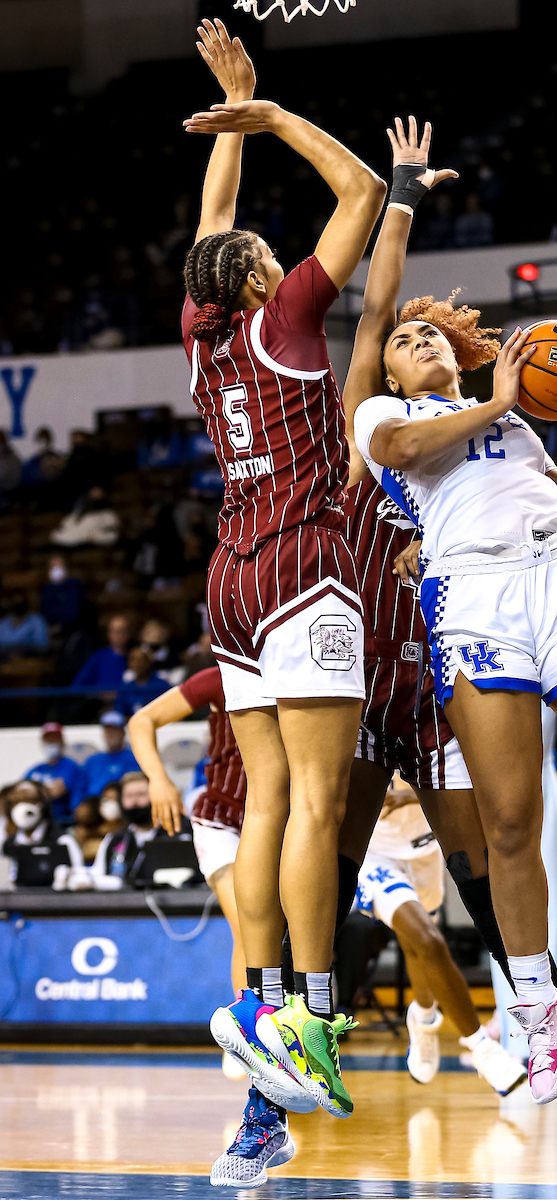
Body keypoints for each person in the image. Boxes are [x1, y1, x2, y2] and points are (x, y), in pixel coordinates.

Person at [352, 142, 557, 1119]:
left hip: (556, 576)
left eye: (428, 336)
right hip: (471, 598)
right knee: (508, 825)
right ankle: (534, 1008)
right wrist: (496, 398)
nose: (416, 342)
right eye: (404, 337)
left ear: (456, 351)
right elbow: (409, 446)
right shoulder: (384, 417)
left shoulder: (515, 415)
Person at [181, 19, 385, 1136]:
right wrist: (266, 117)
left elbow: (208, 228)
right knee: (314, 799)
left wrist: (238, 115)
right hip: (305, 566)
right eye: (264, 249)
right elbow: (356, 188)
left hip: (230, 578)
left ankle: (255, 1004)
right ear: (264, 275)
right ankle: (308, 1013)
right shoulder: (285, 313)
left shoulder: (202, 333)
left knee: (266, 801)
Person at [355, 777, 526, 1094]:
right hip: (373, 853)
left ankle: (422, 1016)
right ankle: (482, 1049)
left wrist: (409, 797)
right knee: (428, 940)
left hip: (427, 847)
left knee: (418, 944)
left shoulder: (434, 730)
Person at [128, 666, 247, 1009]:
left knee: (282, 935)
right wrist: (158, 779)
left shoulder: (303, 675)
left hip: (277, 822)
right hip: (220, 820)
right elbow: (141, 721)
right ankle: (247, 1030)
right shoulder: (221, 676)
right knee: (248, 927)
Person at [91, 771, 193, 889]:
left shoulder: (179, 834)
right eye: (129, 796)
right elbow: (97, 875)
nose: (134, 802)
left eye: (141, 795)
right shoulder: (114, 839)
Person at [1, 779, 83, 886]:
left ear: (44, 805)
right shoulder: (8, 845)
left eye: (31, 800)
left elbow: (80, 881)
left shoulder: (63, 841)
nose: (23, 807)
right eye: (17, 802)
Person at [24, 722, 83, 823]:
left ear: (62, 742)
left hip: (60, 821)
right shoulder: (36, 769)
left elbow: (58, 791)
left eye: (54, 740)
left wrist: (35, 793)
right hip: (33, 820)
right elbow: (22, 791)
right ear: (43, 742)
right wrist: (47, 791)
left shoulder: (70, 767)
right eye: (48, 740)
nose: (51, 743)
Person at [77, 711, 139, 802]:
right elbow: (79, 789)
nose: (111, 734)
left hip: (123, 804)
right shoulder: (92, 760)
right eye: (108, 730)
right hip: (94, 805)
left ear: (123, 733)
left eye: (115, 730)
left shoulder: (135, 758)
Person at [72, 613, 131, 692]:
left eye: (122, 631)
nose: (118, 636)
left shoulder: (134, 658)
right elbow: (77, 685)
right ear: (109, 634)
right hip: (101, 703)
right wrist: (98, 694)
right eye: (114, 631)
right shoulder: (98, 657)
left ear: (128, 633)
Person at [50, 486, 120, 548]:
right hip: (74, 543)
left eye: (98, 493)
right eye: (93, 492)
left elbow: (112, 535)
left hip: (96, 543)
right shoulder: (77, 514)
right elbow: (62, 529)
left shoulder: (109, 514)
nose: (95, 495)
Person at [114, 648, 171, 719]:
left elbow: (170, 709)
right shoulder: (126, 689)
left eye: (141, 660)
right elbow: (119, 713)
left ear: (148, 662)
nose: (138, 664)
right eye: (133, 660)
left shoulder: (161, 686)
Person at [39, 554, 85, 636]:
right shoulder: (46, 589)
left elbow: (73, 611)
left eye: (59, 566)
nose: (56, 570)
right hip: (50, 629)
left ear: (66, 569)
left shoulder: (74, 585)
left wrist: (61, 627)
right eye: (53, 567)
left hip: (72, 629)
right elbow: (44, 611)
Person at [0, 593, 49, 659]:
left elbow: (42, 645)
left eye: (20, 602)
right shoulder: (4, 622)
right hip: (5, 659)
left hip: (29, 658)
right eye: (15, 602)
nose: (18, 605)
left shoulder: (36, 620)